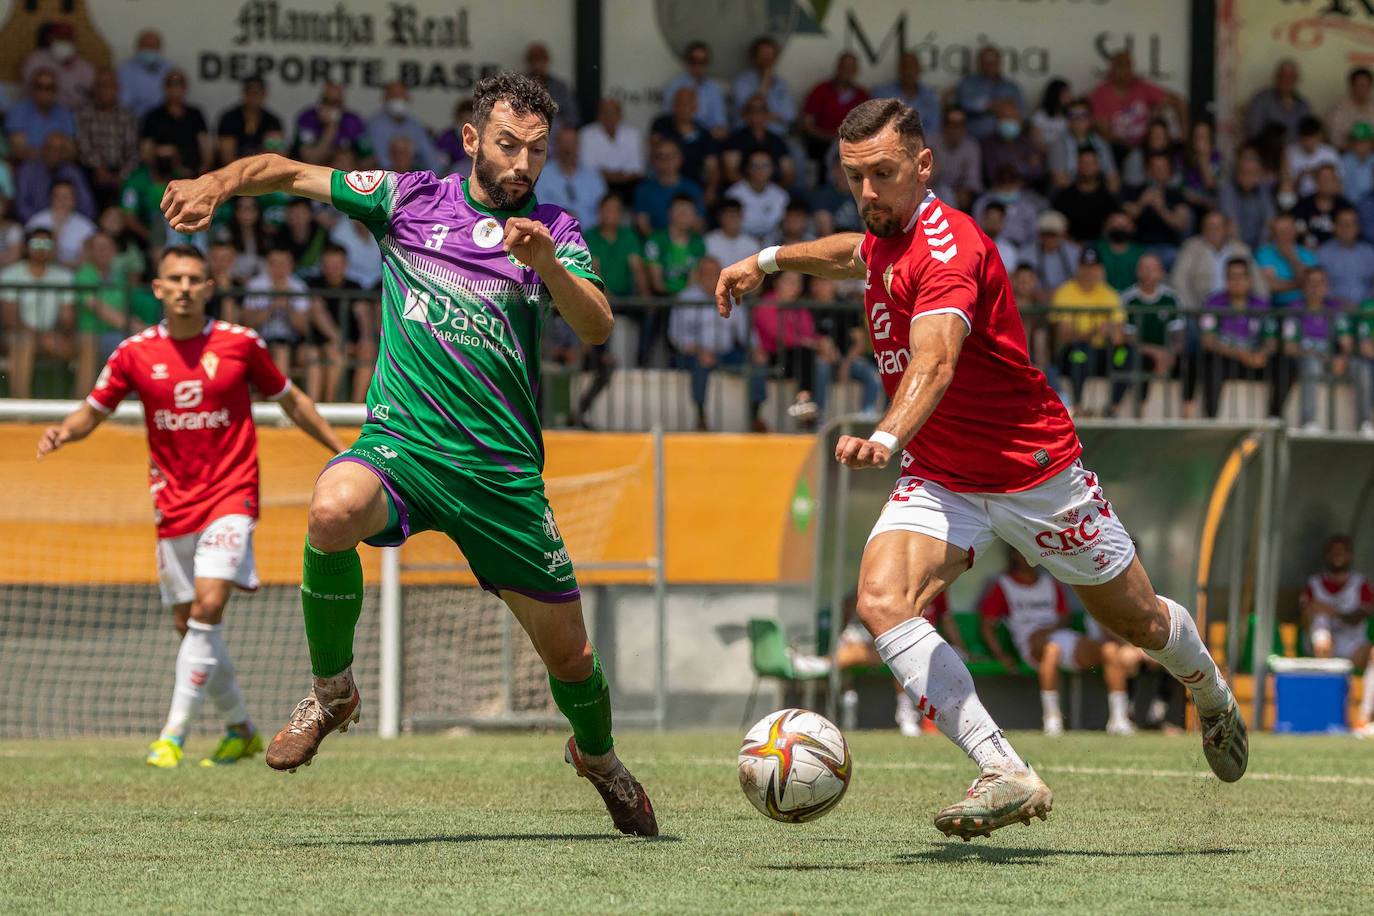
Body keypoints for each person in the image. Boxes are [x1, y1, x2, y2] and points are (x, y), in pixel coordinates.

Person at [715, 97, 1248, 840]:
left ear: (924, 166)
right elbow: (851, 254)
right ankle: (1004, 769)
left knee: (1140, 620)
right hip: (942, 474)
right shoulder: (884, 234)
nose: (868, 192)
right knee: (880, 599)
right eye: (853, 177)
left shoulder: (949, 248)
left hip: (1034, 473)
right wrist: (767, 260)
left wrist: (886, 431)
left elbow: (935, 358)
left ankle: (1210, 692)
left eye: (884, 174)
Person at [159, 72, 658, 836]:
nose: (522, 164)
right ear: (470, 140)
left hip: (501, 478)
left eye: (536, 150)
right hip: (404, 448)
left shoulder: (554, 226)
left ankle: (600, 759)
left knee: (572, 659)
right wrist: (217, 182)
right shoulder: (407, 199)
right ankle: (333, 692)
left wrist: (547, 265)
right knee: (331, 510)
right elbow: (289, 173)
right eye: (506, 145)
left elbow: (596, 327)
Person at [36, 244, 342, 767]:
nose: (184, 287)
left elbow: (290, 399)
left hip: (232, 495)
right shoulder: (133, 353)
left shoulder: (240, 344)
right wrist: (65, 430)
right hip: (172, 503)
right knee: (190, 626)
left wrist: (340, 450)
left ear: (208, 287)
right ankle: (241, 728)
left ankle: (171, 736)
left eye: (194, 279)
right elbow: (94, 409)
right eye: (174, 278)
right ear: (157, 288)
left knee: (206, 609)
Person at [979, 548, 1139, 736]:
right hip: (1031, 645)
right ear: (1013, 554)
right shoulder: (1003, 585)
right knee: (1051, 650)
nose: (1029, 556)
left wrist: (1047, 631)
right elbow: (987, 626)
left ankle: (1119, 720)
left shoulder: (1050, 583)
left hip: (1060, 637)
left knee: (1110, 650)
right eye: (1022, 551)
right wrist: (1001, 655)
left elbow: (1064, 619)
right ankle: (1052, 720)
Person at [837, 590, 960, 737]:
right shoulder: (897, 585)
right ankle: (908, 714)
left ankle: (932, 718)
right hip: (893, 643)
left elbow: (946, 620)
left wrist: (963, 648)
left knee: (920, 656)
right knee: (901, 653)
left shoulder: (938, 587)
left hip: (924, 645)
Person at [668, 255, 765, 431]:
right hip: (695, 353)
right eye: (706, 274)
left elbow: (745, 332)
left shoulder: (731, 296)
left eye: (714, 274)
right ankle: (701, 416)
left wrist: (756, 349)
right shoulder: (686, 297)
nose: (711, 278)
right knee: (700, 364)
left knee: (756, 363)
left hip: (726, 352)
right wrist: (698, 349)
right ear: (698, 275)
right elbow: (676, 334)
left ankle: (756, 416)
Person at [1198, 258, 1281, 419]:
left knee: (1285, 364)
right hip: (1227, 360)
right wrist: (1241, 354)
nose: (1236, 281)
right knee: (1212, 363)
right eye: (1232, 277)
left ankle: (1274, 418)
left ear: (1249, 279)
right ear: (1226, 280)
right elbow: (1207, 341)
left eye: (1240, 276)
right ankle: (1210, 419)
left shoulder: (1261, 305)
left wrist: (1262, 354)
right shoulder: (1213, 303)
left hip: (1255, 361)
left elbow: (1272, 342)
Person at [1050, 246, 1130, 415]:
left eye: (1093, 266)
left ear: (1100, 269)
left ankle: (1112, 408)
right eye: (1085, 266)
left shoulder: (1109, 294)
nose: (1089, 271)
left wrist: (1105, 332)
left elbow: (1118, 337)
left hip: (1103, 353)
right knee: (1080, 353)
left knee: (1125, 355)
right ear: (1078, 267)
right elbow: (1065, 337)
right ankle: (1078, 406)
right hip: (1072, 353)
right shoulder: (1065, 292)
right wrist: (1096, 331)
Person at [0, 229, 76, 399]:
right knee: (23, 341)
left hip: (52, 338)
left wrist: (55, 335)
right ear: (26, 247)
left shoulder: (64, 277)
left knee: (87, 342)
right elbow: (10, 319)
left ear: (54, 248)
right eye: (36, 243)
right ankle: (21, 408)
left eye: (46, 244)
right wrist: (41, 337)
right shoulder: (10, 274)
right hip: (16, 336)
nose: (41, 248)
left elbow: (67, 318)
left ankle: (82, 406)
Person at [1284, 267, 1353, 431]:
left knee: (1362, 367)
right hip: (1303, 361)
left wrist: (1343, 358)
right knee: (1311, 364)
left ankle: (1367, 423)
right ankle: (1309, 422)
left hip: (1331, 361)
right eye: (1311, 282)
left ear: (1327, 286)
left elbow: (1347, 344)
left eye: (1320, 282)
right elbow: (1290, 348)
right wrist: (1318, 355)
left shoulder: (1335, 308)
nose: (1315, 287)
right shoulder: (1294, 309)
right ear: (1304, 286)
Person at [642, 192, 707, 366]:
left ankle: (682, 364)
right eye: (679, 210)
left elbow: (694, 279)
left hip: (685, 299)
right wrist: (676, 297)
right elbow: (656, 282)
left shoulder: (697, 243)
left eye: (688, 211)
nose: (684, 215)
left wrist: (682, 297)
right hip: (662, 297)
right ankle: (643, 364)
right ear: (670, 213)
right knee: (657, 313)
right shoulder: (656, 239)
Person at [1088, 51, 1186, 157]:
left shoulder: (1141, 86)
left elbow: (1179, 102)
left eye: (1128, 65)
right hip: (1116, 150)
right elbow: (1105, 133)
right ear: (1112, 68)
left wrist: (1184, 137)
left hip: (1145, 148)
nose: (1125, 70)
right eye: (1121, 65)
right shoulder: (1100, 94)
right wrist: (1133, 147)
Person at [1171, 209, 1264, 309]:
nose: (1214, 230)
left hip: (1237, 307)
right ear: (1202, 229)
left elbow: (1258, 282)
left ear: (1227, 228)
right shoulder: (1191, 247)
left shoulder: (1241, 250)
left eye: (1218, 226)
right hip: (1200, 307)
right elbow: (1178, 280)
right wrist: (1192, 309)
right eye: (1209, 226)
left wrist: (1260, 307)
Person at [76, 68, 141, 211]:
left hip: (122, 171)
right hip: (92, 170)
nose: (105, 90)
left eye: (109, 86)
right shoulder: (84, 113)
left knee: (135, 181)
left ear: (117, 89)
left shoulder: (127, 115)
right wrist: (99, 169)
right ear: (94, 89)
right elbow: (83, 146)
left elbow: (133, 150)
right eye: (101, 85)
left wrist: (122, 175)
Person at [800, 53, 869, 181]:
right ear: (837, 68)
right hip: (821, 141)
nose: (847, 71)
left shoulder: (862, 95)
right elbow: (806, 124)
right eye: (844, 67)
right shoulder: (820, 90)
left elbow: (868, 126)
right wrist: (830, 137)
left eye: (851, 68)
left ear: (856, 71)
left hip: (851, 143)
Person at [650, 87, 720, 203]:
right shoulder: (661, 124)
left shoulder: (704, 134)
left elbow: (712, 168)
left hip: (692, 185)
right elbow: (655, 153)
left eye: (688, 103)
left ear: (695, 107)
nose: (683, 107)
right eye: (680, 103)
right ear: (673, 105)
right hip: (662, 181)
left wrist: (710, 190)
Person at [138, 69, 212, 175]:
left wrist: (201, 173)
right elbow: (145, 153)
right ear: (164, 87)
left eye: (180, 83)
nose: (175, 88)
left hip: (193, 174)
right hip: (162, 176)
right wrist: (162, 152)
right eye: (171, 83)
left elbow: (206, 149)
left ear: (186, 88)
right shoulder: (153, 116)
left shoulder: (195, 114)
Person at [534, 126, 606, 228]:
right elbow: (537, 210)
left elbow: (605, 210)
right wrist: (564, 218)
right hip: (553, 236)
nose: (567, 147)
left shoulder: (593, 176)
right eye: (562, 143)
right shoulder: (542, 175)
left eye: (571, 142)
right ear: (556, 146)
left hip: (590, 237)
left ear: (578, 146)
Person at [723, 93, 796, 189]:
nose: (756, 115)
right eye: (752, 110)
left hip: (772, 191)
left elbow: (789, 174)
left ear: (767, 113)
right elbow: (730, 174)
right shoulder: (735, 140)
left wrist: (770, 191)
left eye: (760, 110)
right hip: (743, 191)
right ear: (745, 113)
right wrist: (755, 189)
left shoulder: (777, 141)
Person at [578, 99, 644, 204]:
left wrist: (607, 173)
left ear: (620, 115)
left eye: (614, 112)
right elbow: (588, 169)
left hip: (627, 185)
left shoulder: (632, 134)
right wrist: (620, 174)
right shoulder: (586, 134)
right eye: (605, 112)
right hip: (597, 183)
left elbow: (636, 170)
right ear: (599, 115)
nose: (609, 116)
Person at [365, 82, 441, 173]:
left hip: (412, 177)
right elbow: (381, 161)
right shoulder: (374, 125)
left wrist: (435, 179)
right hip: (384, 179)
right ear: (384, 99)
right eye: (394, 95)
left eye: (402, 96)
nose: (398, 99)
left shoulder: (415, 126)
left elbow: (431, 157)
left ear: (408, 99)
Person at [632, 140, 703, 236]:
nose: (666, 160)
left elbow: (698, 223)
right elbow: (642, 224)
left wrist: (681, 244)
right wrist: (660, 243)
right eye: (660, 156)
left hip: (686, 245)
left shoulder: (692, 188)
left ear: (680, 158)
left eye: (671, 155)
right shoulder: (643, 189)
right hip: (654, 244)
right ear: (654, 161)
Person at [1048, 98, 1119, 193]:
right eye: (1072, 115)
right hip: (1068, 194)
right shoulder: (1058, 143)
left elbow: (1113, 177)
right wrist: (1086, 187)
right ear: (1067, 119)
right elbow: (1059, 180)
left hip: (1097, 192)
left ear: (1090, 119)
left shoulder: (1100, 142)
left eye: (1083, 115)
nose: (1078, 119)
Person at [953, 45, 1025, 140]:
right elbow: (966, 105)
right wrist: (999, 105)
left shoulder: (1010, 87)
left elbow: (1021, 111)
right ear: (979, 63)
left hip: (1006, 141)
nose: (990, 65)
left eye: (993, 62)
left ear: (999, 62)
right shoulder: (968, 84)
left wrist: (989, 105)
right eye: (986, 62)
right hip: (975, 139)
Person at [6, 69, 77, 162]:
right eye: (39, 87)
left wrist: (49, 155)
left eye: (49, 87)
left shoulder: (64, 114)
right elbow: (19, 152)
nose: (44, 92)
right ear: (32, 89)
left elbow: (72, 151)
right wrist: (52, 153)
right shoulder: (18, 111)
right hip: (28, 164)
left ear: (56, 91)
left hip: (62, 165)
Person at [1051, 147, 1119, 243]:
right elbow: (1057, 227)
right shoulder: (1064, 197)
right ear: (1077, 165)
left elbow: (1112, 229)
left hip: (1100, 248)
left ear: (1098, 166)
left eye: (1091, 163)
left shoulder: (1108, 198)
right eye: (1083, 163)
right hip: (1070, 246)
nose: (1087, 167)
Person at [730, 36, 796, 135]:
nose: (768, 59)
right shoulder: (742, 81)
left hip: (778, 136)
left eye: (771, 55)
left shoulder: (781, 83)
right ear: (754, 58)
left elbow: (790, 116)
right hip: (748, 135)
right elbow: (750, 112)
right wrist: (765, 82)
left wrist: (764, 116)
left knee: (797, 150)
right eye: (764, 55)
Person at [293, 82, 370, 166]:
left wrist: (350, 161)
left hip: (347, 171)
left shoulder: (352, 121)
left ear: (343, 104)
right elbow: (311, 160)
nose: (331, 106)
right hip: (316, 173)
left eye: (335, 102)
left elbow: (370, 160)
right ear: (320, 100)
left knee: (343, 160)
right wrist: (331, 127)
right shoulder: (307, 118)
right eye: (326, 101)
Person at [22, 23, 93, 113]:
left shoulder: (85, 67)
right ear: (50, 39)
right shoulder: (36, 60)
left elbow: (94, 95)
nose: (64, 42)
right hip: (38, 113)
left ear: (74, 41)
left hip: (75, 116)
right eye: (60, 38)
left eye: (67, 39)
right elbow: (30, 91)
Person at [661, 42, 727, 137]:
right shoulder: (675, 86)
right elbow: (667, 117)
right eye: (694, 61)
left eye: (703, 61)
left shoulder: (714, 88)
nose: (699, 65)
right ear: (687, 62)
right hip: (680, 136)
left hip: (706, 137)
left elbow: (719, 122)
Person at [25, 179, 96, 268]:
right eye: (57, 196)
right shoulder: (36, 222)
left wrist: (59, 265)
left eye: (66, 196)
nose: (61, 201)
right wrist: (57, 229)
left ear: (74, 200)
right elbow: (29, 256)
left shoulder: (86, 226)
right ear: (50, 199)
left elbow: (87, 263)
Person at [871, 52, 941, 140]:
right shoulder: (882, 93)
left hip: (921, 146)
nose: (909, 71)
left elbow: (933, 129)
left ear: (919, 70)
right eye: (905, 67)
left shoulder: (930, 95)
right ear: (899, 70)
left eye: (912, 67)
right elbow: (876, 126)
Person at [217, 76, 284, 165]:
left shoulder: (272, 121)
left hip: (263, 168)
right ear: (244, 93)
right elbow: (227, 156)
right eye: (250, 91)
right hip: (234, 169)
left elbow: (278, 153)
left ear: (264, 94)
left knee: (275, 138)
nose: (254, 95)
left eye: (258, 91)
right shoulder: (229, 119)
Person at [1218, 148, 1276, 252]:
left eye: (1252, 173)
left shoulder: (1264, 190)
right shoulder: (1228, 191)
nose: (1247, 177)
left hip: (1260, 246)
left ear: (1259, 175)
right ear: (1237, 174)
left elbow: (1269, 221)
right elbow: (1231, 225)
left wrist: (1260, 251)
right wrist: (1243, 253)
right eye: (1244, 172)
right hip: (1234, 246)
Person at [1257, 212, 1318, 308]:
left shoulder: (1307, 255)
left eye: (1288, 231)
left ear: (1295, 232)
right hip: (1273, 306)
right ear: (1273, 233)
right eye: (1280, 232)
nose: (1284, 235)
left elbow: (1312, 284)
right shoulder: (1264, 253)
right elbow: (1269, 286)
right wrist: (1299, 284)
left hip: (1303, 306)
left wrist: (1292, 258)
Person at [927, 106, 982, 211]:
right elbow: (924, 175)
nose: (955, 129)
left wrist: (962, 193)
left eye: (960, 124)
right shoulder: (931, 141)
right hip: (933, 189)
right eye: (951, 124)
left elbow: (973, 182)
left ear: (965, 127)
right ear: (943, 126)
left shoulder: (971, 146)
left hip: (959, 194)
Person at [725, 151, 788, 240]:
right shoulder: (734, 194)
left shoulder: (781, 196)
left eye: (765, 165)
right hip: (740, 243)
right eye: (755, 165)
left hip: (773, 243)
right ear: (747, 168)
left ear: (773, 168)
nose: (760, 169)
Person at [1317, 207, 1374, 307]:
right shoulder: (1323, 253)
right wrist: (1342, 304)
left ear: (1358, 227)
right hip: (1334, 310)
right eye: (1344, 224)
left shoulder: (1369, 252)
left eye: (1353, 224)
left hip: (1366, 310)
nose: (1348, 228)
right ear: (1335, 226)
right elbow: (1319, 286)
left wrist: (1367, 304)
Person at [1245, 59, 1311, 143]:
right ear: (1276, 77)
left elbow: (1310, 132)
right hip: (1269, 150)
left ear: (1296, 80)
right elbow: (1253, 130)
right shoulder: (1261, 100)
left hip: (1296, 152)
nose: (1286, 80)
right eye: (1283, 76)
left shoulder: (1303, 105)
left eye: (1291, 77)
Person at [117, 30, 176, 119]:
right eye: (146, 45)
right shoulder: (125, 70)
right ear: (138, 47)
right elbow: (123, 102)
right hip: (133, 120)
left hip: (163, 121)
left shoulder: (170, 69)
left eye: (153, 46)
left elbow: (175, 98)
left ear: (159, 48)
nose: (150, 49)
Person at [1293, 164, 1352, 249]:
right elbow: (1295, 227)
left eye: (1331, 179)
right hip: (1306, 253)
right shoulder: (1303, 205)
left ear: (1336, 182)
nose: (1327, 183)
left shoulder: (1345, 206)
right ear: (1316, 182)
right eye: (1324, 179)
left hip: (1338, 253)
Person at [523, 42, 579, 129]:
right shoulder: (520, 85)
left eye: (541, 57)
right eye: (533, 58)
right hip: (526, 128)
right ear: (528, 61)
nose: (537, 61)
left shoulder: (560, 87)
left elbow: (573, 117)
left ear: (547, 59)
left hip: (554, 130)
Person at [1287, 116, 1341, 198]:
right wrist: (1300, 177)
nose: (1309, 143)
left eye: (1312, 139)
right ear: (1299, 138)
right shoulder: (1290, 153)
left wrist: (1319, 175)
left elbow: (1338, 185)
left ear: (1320, 136)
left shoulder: (1330, 153)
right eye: (1306, 139)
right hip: (1299, 198)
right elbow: (1286, 186)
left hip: (1325, 197)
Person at [1329, 69, 1374, 152]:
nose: (1362, 89)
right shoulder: (1339, 108)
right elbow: (1334, 139)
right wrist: (1357, 146)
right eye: (1359, 85)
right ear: (1351, 86)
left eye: (1365, 85)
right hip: (1345, 154)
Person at [1340, 122, 1374, 203]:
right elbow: (1346, 191)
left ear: (1371, 142)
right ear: (1352, 143)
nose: (1362, 145)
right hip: (1352, 203)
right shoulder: (1345, 162)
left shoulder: (1372, 158)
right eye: (1358, 142)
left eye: (1365, 141)